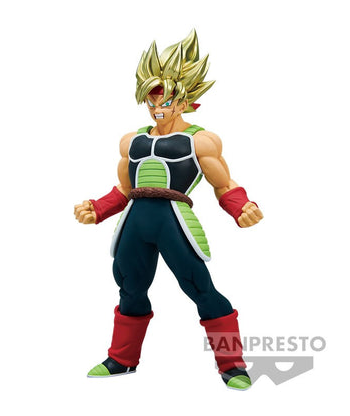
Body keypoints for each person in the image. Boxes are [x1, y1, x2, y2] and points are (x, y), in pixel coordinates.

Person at [74, 29, 263, 390]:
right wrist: (97, 209)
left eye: (165, 98)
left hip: (173, 221)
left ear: (185, 99)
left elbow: (224, 185)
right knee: (129, 287)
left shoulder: (200, 140)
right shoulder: (132, 141)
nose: (157, 105)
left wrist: (242, 207)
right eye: (151, 98)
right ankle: (121, 359)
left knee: (200, 288)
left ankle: (232, 364)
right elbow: (124, 189)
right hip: (134, 223)